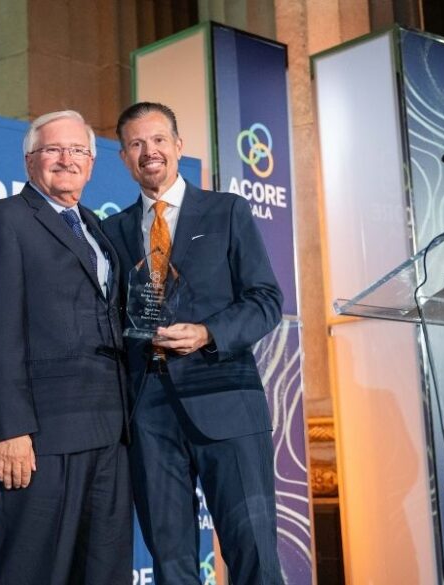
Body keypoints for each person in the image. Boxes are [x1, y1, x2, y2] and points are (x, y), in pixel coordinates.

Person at [102, 102, 284, 585]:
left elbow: (267, 300)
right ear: (123, 157)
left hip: (226, 400)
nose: (149, 152)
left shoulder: (226, 211)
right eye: (137, 144)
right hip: (150, 413)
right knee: (171, 562)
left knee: (254, 556)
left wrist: (208, 333)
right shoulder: (111, 232)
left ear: (179, 147)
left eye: (159, 140)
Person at [0, 110, 132, 585]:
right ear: (30, 159)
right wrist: (9, 429)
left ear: (93, 163)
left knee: (103, 573)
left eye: (78, 150)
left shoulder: (99, 228)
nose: (66, 159)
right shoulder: (3, 220)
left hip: (111, 434)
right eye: (53, 149)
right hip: (42, 438)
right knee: (35, 572)